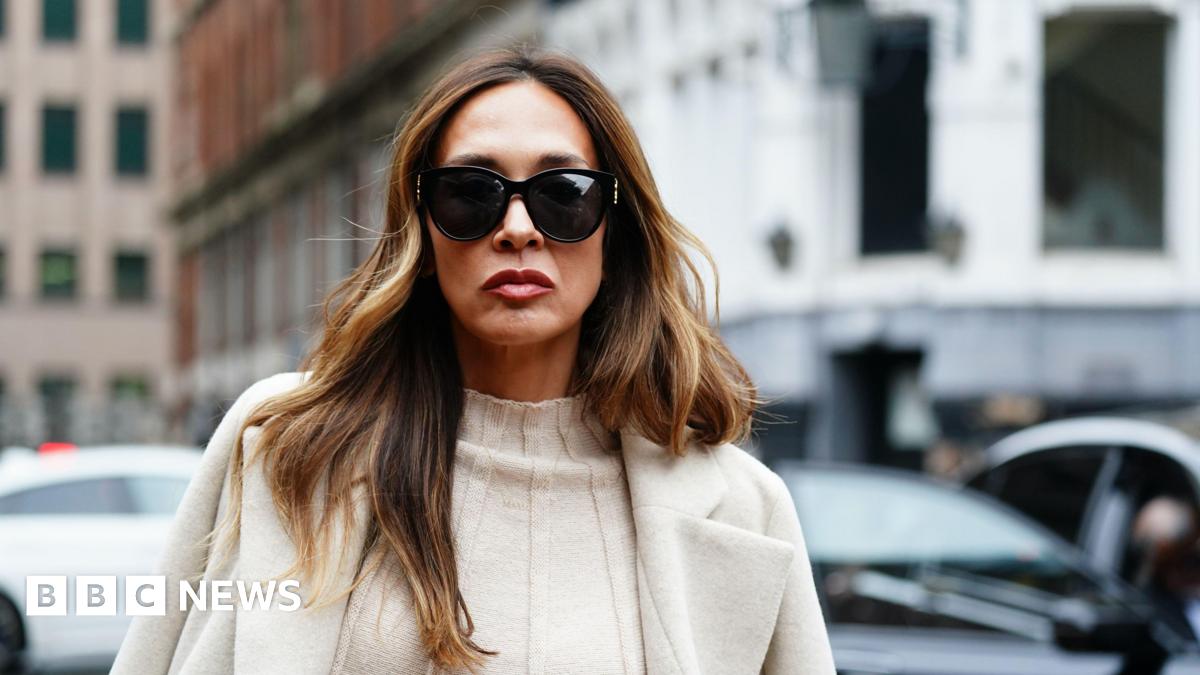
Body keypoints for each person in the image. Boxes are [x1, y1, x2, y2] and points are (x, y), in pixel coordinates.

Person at [111, 45, 835, 674]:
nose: (518, 229)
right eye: (470, 194)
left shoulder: (744, 508)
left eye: (564, 194)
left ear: (614, 231)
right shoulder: (290, 446)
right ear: (422, 234)